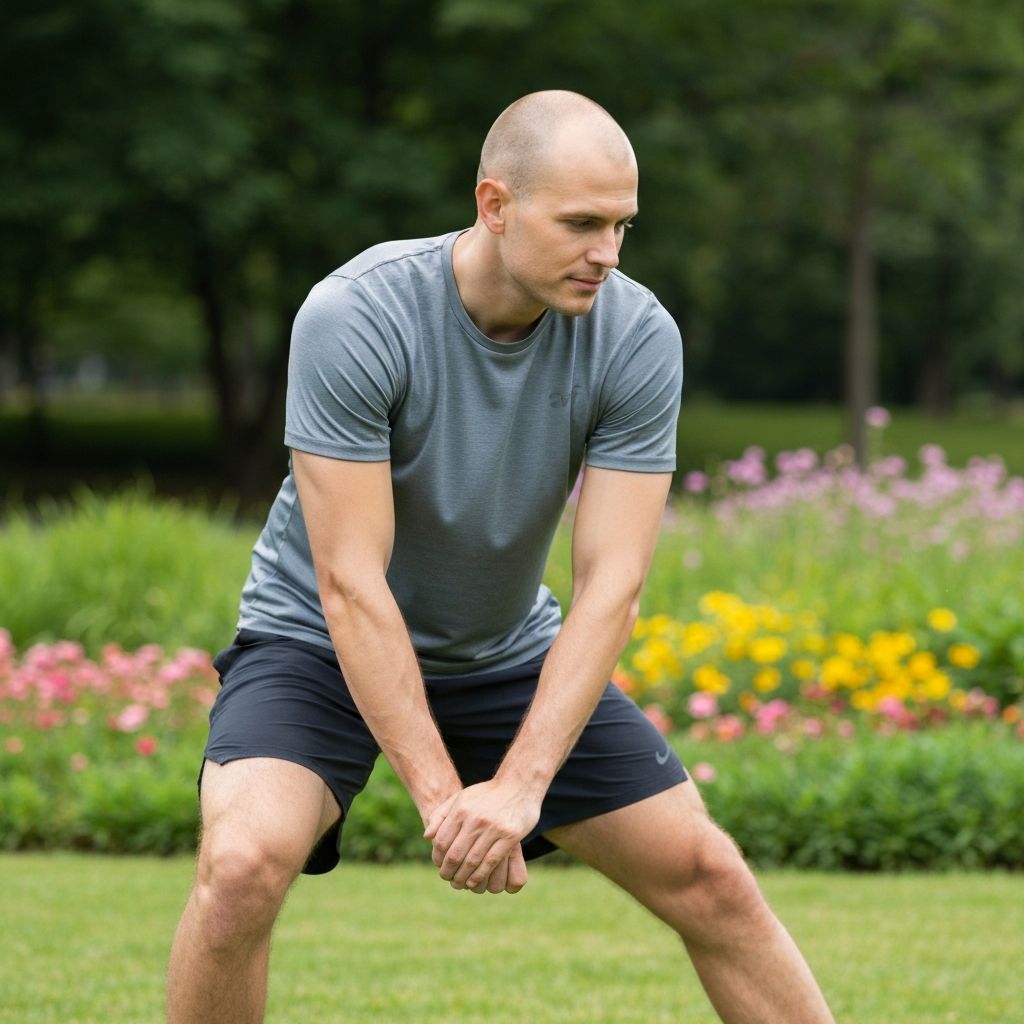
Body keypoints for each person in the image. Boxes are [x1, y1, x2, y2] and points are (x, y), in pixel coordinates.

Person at [167, 90, 836, 1024]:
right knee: (240, 868)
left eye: (622, 226)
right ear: (495, 204)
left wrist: (519, 790)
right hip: (316, 646)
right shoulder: (357, 315)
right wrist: (449, 806)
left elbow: (613, 582)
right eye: (581, 224)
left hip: (504, 655)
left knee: (709, 875)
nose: (606, 252)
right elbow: (350, 584)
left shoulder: (637, 337)